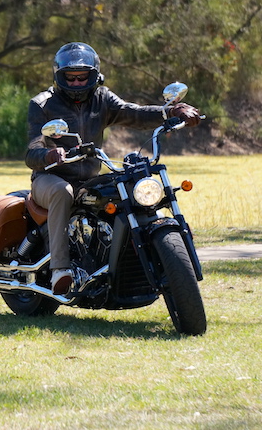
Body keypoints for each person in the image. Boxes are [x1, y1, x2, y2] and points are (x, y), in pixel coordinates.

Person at [25, 42, 201, 295]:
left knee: (129, 189)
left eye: (82, 77)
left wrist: (171, 111)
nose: (76, 83)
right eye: (70, 78)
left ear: (94, 76)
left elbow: (135, 113)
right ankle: (60, 270)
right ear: (59, 77)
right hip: (49, 178)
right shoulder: (43, 104)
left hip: (88, 178)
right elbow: (32, 152)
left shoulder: (102, 99)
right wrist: (50, 153)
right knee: (62, 191)